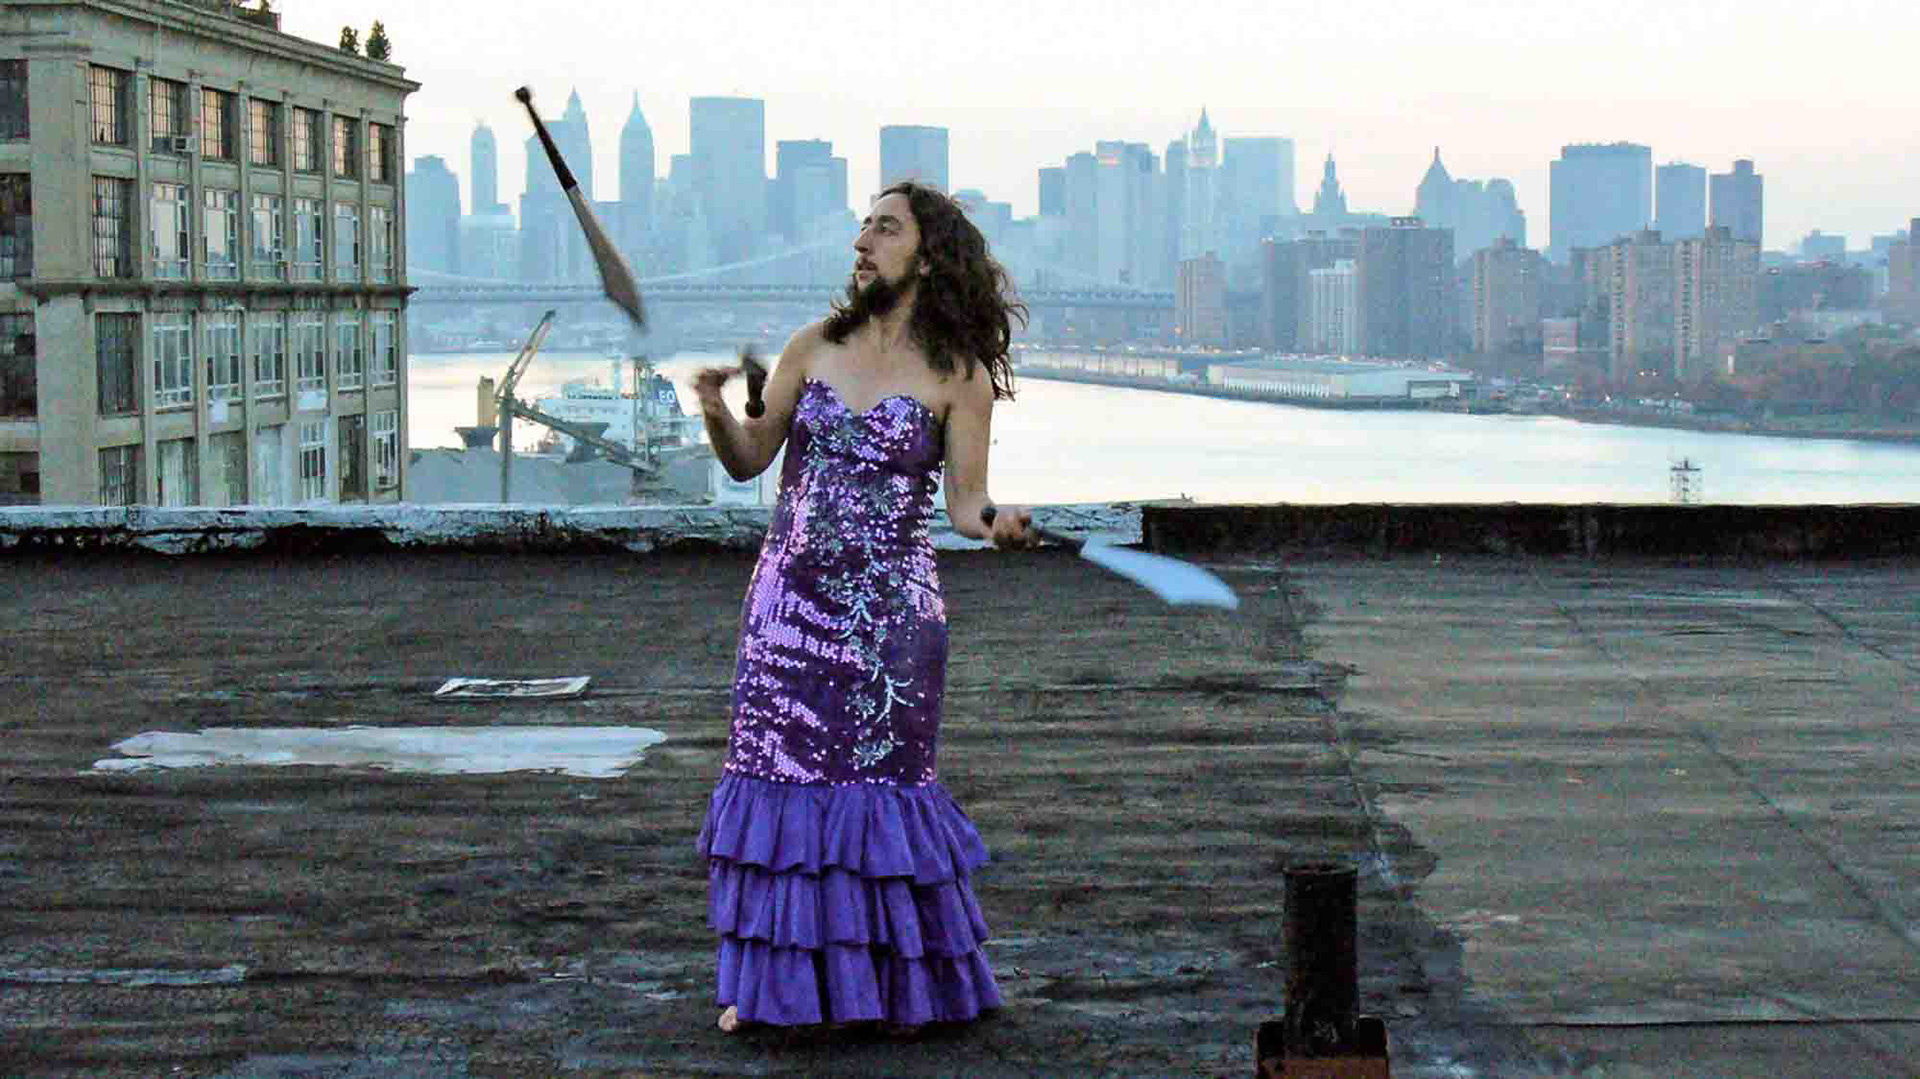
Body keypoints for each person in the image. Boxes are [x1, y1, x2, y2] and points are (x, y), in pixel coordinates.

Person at [690, 182, 1034, 1034]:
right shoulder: (811, 347)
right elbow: (748, 460)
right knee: (780, 788)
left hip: (890, 624)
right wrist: (711, 409)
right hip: (785, 612)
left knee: (879, 789)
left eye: (885, 228)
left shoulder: (958, 376)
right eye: (862, 228)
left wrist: (999, 525)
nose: (864, 242)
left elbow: (967, 503)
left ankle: (887, 989)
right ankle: (775, 992)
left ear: (928, 252)